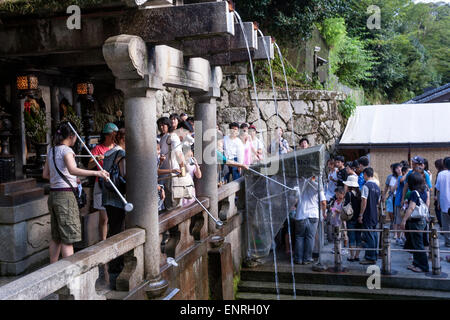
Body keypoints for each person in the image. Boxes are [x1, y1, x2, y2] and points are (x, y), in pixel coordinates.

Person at [42, 121, 109, 263]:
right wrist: (97, 173)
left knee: (56, 236)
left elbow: (46, 175)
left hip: (53, 195)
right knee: (68, 237)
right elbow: (72, 170)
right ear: (71, 136)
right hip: (65, 197)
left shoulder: (51, 150)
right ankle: (69, 273)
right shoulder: (67, 151)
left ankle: (52, 269)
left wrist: (69, 179)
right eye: (76, 136)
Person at [101, 128, 127, 283]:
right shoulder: (121, 154)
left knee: (113, 228)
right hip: (118, 197)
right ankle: (116, 264)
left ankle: (113, 262)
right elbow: (124, 175)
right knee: (118, 231)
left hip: (107, 196)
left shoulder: (108, 153)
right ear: (123, 139)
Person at [89, 122, 118, 242]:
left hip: (115, 183)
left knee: (115, 215)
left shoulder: (117, 148)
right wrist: (96, 159)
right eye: (112, 135)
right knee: (104, 217)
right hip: (101, 183)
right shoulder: (97, 149)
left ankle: (115, 238)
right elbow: (89, 166)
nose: (114, 137)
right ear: (106, 135)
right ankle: (103, 241)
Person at [293, 176, 327, 265]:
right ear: (314, 177)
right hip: (313, 215)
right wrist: (324, 212)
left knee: (299, 237)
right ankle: (307, 258)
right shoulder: (318, 186)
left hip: (300, 215)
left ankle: (298, 259)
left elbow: (293, 200)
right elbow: (323, 202)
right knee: (310, 237)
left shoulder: (299, 185)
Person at [401, 172, 430, 273]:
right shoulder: (424, 190)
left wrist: (404, 220)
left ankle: (423, 266)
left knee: (418, 245)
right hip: (422, 220)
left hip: (415, 221)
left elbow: (411, 207)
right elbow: (427, 203)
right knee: (417, 243)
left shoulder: (414, 193)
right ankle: (416, 264)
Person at [157, 116, 185, 210]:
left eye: (163, 125)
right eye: (159, 125)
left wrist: (182, 168)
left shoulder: (172, 136)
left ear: (168, 125)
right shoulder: (163, 138)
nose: (161, 127)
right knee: (169, 204)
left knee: (171, 203)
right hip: (165, 174)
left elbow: (178, 153)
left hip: (172, 173)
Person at [358, 167, 381, 265]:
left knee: (369, 235)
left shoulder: (366, 186)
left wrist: (361, 214)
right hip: (375, 213)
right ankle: (374, 254)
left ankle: (370, 257)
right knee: (374, 235)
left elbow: (364, 201)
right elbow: (378, 202)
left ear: (366, 175)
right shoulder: (377, 187)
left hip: (367, 213)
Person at [343, 175, 362, 262]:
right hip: (359, 218)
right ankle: (357, 256)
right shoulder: (360, 193)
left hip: (350, 217)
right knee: (358, 237)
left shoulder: (348, 194)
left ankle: (351, 256)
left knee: (351, 237)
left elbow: (345, 205)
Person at [436, 157, 450, 247]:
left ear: (444, 165)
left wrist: (438, 203)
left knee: (446, 224)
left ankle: (448, 241)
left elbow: (438, 190)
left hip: (445, 203)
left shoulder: (441, 174)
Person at [394, 165, 410, 245]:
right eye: (407, 171)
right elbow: (402, 180)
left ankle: (403, 236)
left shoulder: (408, 179)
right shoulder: (401, 177)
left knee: (404, 221)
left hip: (405, 203)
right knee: (399, 221)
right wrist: (408, 173)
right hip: (399, 202)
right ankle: (398, 237)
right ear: (404, 172)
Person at [382, 163, 401, 230]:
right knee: (390, 211)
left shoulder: (402, 177)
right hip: (391, 196)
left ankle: (396, 224)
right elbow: (386, 187)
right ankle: (392, 221)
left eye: (399, 168)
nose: (399, 169)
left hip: (399, 196)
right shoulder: (390, 177)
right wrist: (384, 195)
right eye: (397, 168)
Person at [330, 186, 348, 255]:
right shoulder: (335, 201)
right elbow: (333, 209)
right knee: (336, 235)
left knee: (344, 235)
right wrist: (332, 209)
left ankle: (345, 248)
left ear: (342, 194)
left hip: (342, 221)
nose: (337, 196)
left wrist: (335, 210)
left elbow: (344, 211)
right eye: (336, 194)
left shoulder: (344, 202)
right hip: (335, 220)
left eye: (338, 194)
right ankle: (336, 248)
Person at [434, 159, 445, 227]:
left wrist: (437, 196)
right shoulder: (441, 173)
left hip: (440, 196)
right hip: (441, 196)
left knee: (439, 211)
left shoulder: (440, 174)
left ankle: (442, 226)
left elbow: (438, 188)